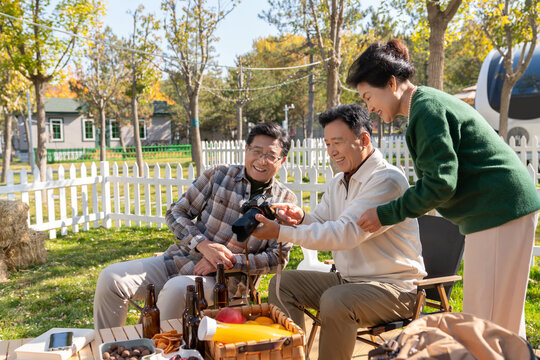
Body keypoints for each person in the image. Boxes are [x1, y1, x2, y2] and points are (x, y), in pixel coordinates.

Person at [347, 39, 540, 337]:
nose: (368, 107)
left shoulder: (426, 109)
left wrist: (386, 213)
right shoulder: (423, 107)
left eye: (368, 96)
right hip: (499, 208)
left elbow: (440, 183)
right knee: (500, 317)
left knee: (486, 321)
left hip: (499, 208)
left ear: (391, 82)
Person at [252, 104, 426, 360]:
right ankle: (292, 357)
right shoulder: (338, 182)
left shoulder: (387, 180)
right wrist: (300, 218)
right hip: (348, 281)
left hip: (396, 289)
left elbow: (344, 234)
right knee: (283, 283)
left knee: (337, 299)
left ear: (364, 139)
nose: (332, 151)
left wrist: (280, 233)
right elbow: (322, 221)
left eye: (338, 142)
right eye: (327, 144)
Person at [93, 122, 297, 330]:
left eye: (271, 155)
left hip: (226, 283)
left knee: (177, 289)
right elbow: (175, 213)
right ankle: (110, 346)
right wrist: (203, 245)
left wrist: (227, 261)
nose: (262, 160)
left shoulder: (285, 201)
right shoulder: (218, 175)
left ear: (282, 161)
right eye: (256, 151)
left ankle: (155, 350)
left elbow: (277, 260)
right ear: (246, 149)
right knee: (111, 278)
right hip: (180, 259)